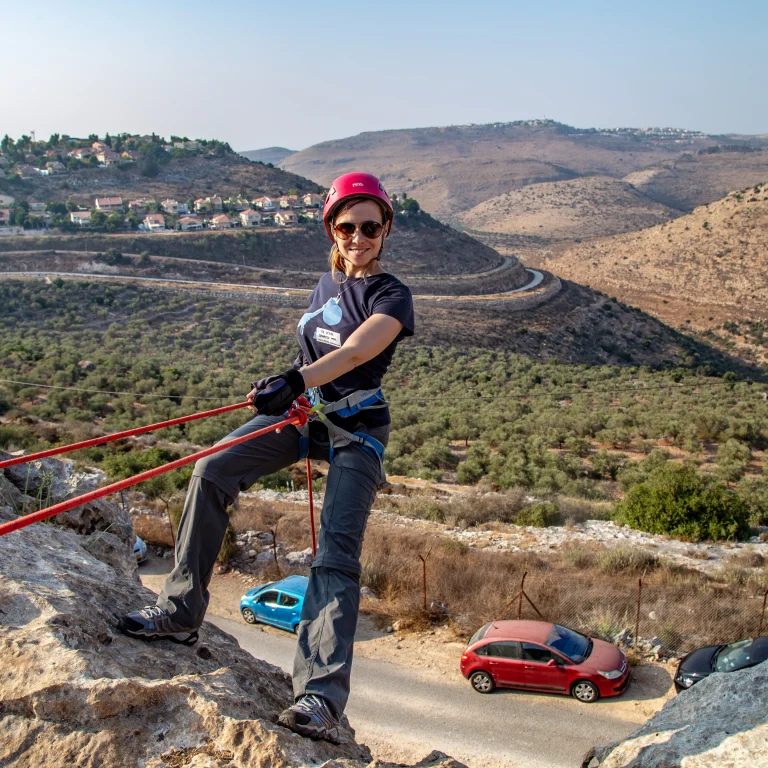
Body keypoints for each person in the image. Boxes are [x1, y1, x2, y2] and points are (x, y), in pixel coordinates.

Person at [118, 172, 414, 744]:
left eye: (370, 227)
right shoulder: (326, 284)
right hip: (307, 413)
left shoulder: (391, 294)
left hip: (356, 428)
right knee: (212, 468)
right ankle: (180, 612)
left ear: (385, 229)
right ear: (331, 229)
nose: (358, 237)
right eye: (347, 227)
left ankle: (320, 697)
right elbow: (318, 350)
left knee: (335, 553)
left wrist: (294, 380)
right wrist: (286, 384)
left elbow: (357, 351)